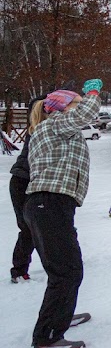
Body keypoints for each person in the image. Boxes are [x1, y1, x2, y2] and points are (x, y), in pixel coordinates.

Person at [25, 80, 103, 348]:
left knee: (66, 269)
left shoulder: (56, 128)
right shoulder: (54, 124)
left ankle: (61, 315)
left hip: (51, 204)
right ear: (61, 108)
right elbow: (86, 115)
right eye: (75, 104)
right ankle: (47, 338)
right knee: (67, 272)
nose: (80, 110)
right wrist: (93, 93)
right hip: (49, 203)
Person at [9, 97, 44, 283]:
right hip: (23, 181)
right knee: (28, 228)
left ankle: (63, 260)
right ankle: (19, 270)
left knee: (50, 224)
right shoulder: (39, 128)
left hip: (36, 182)